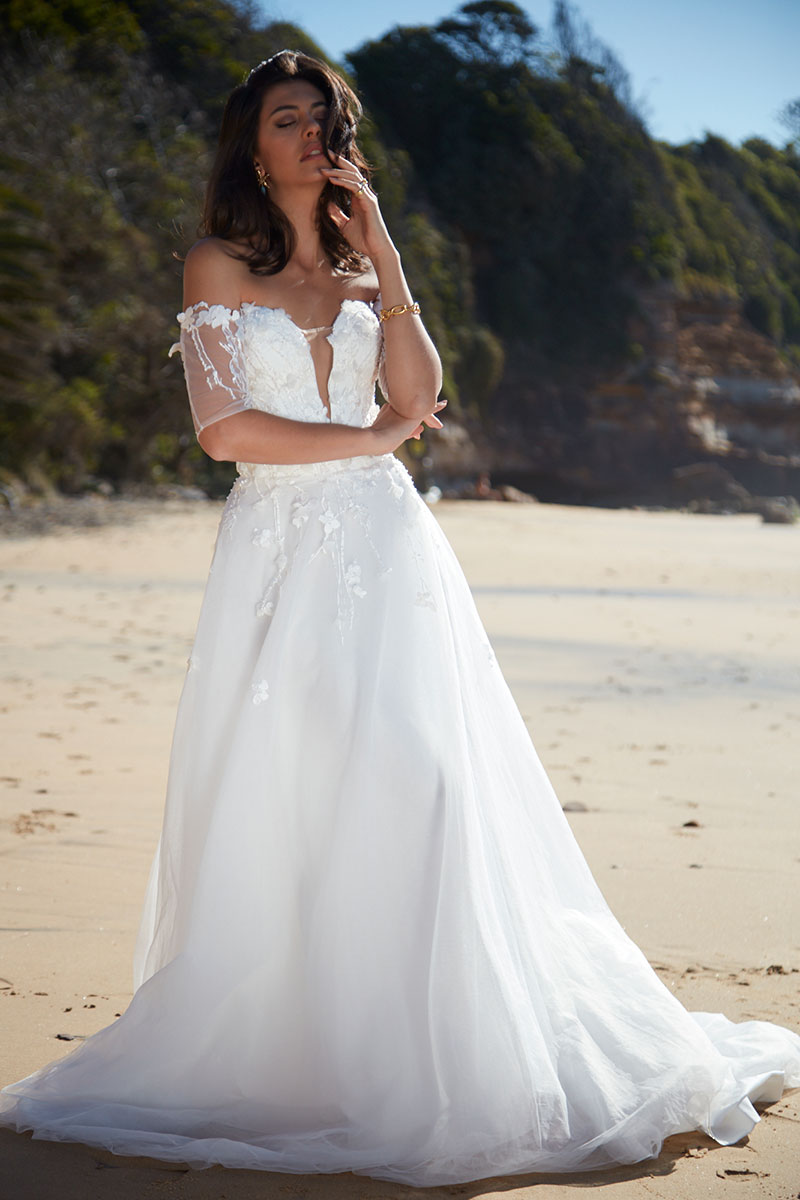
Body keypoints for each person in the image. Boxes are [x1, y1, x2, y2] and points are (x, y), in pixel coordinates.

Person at [1, 50, 798, 1189]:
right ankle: (306, 1051)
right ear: (252, 143)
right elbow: (225, 431)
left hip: (391, 550)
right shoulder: (217, 260)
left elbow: (418, 399)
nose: (312, 134)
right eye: (288, 118)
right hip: (280, 557)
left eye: (326, 118)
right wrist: (371, 440)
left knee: (423, 782)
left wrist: (380, 246)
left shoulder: (363, 261)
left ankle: (437, 1050)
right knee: (292, 789)